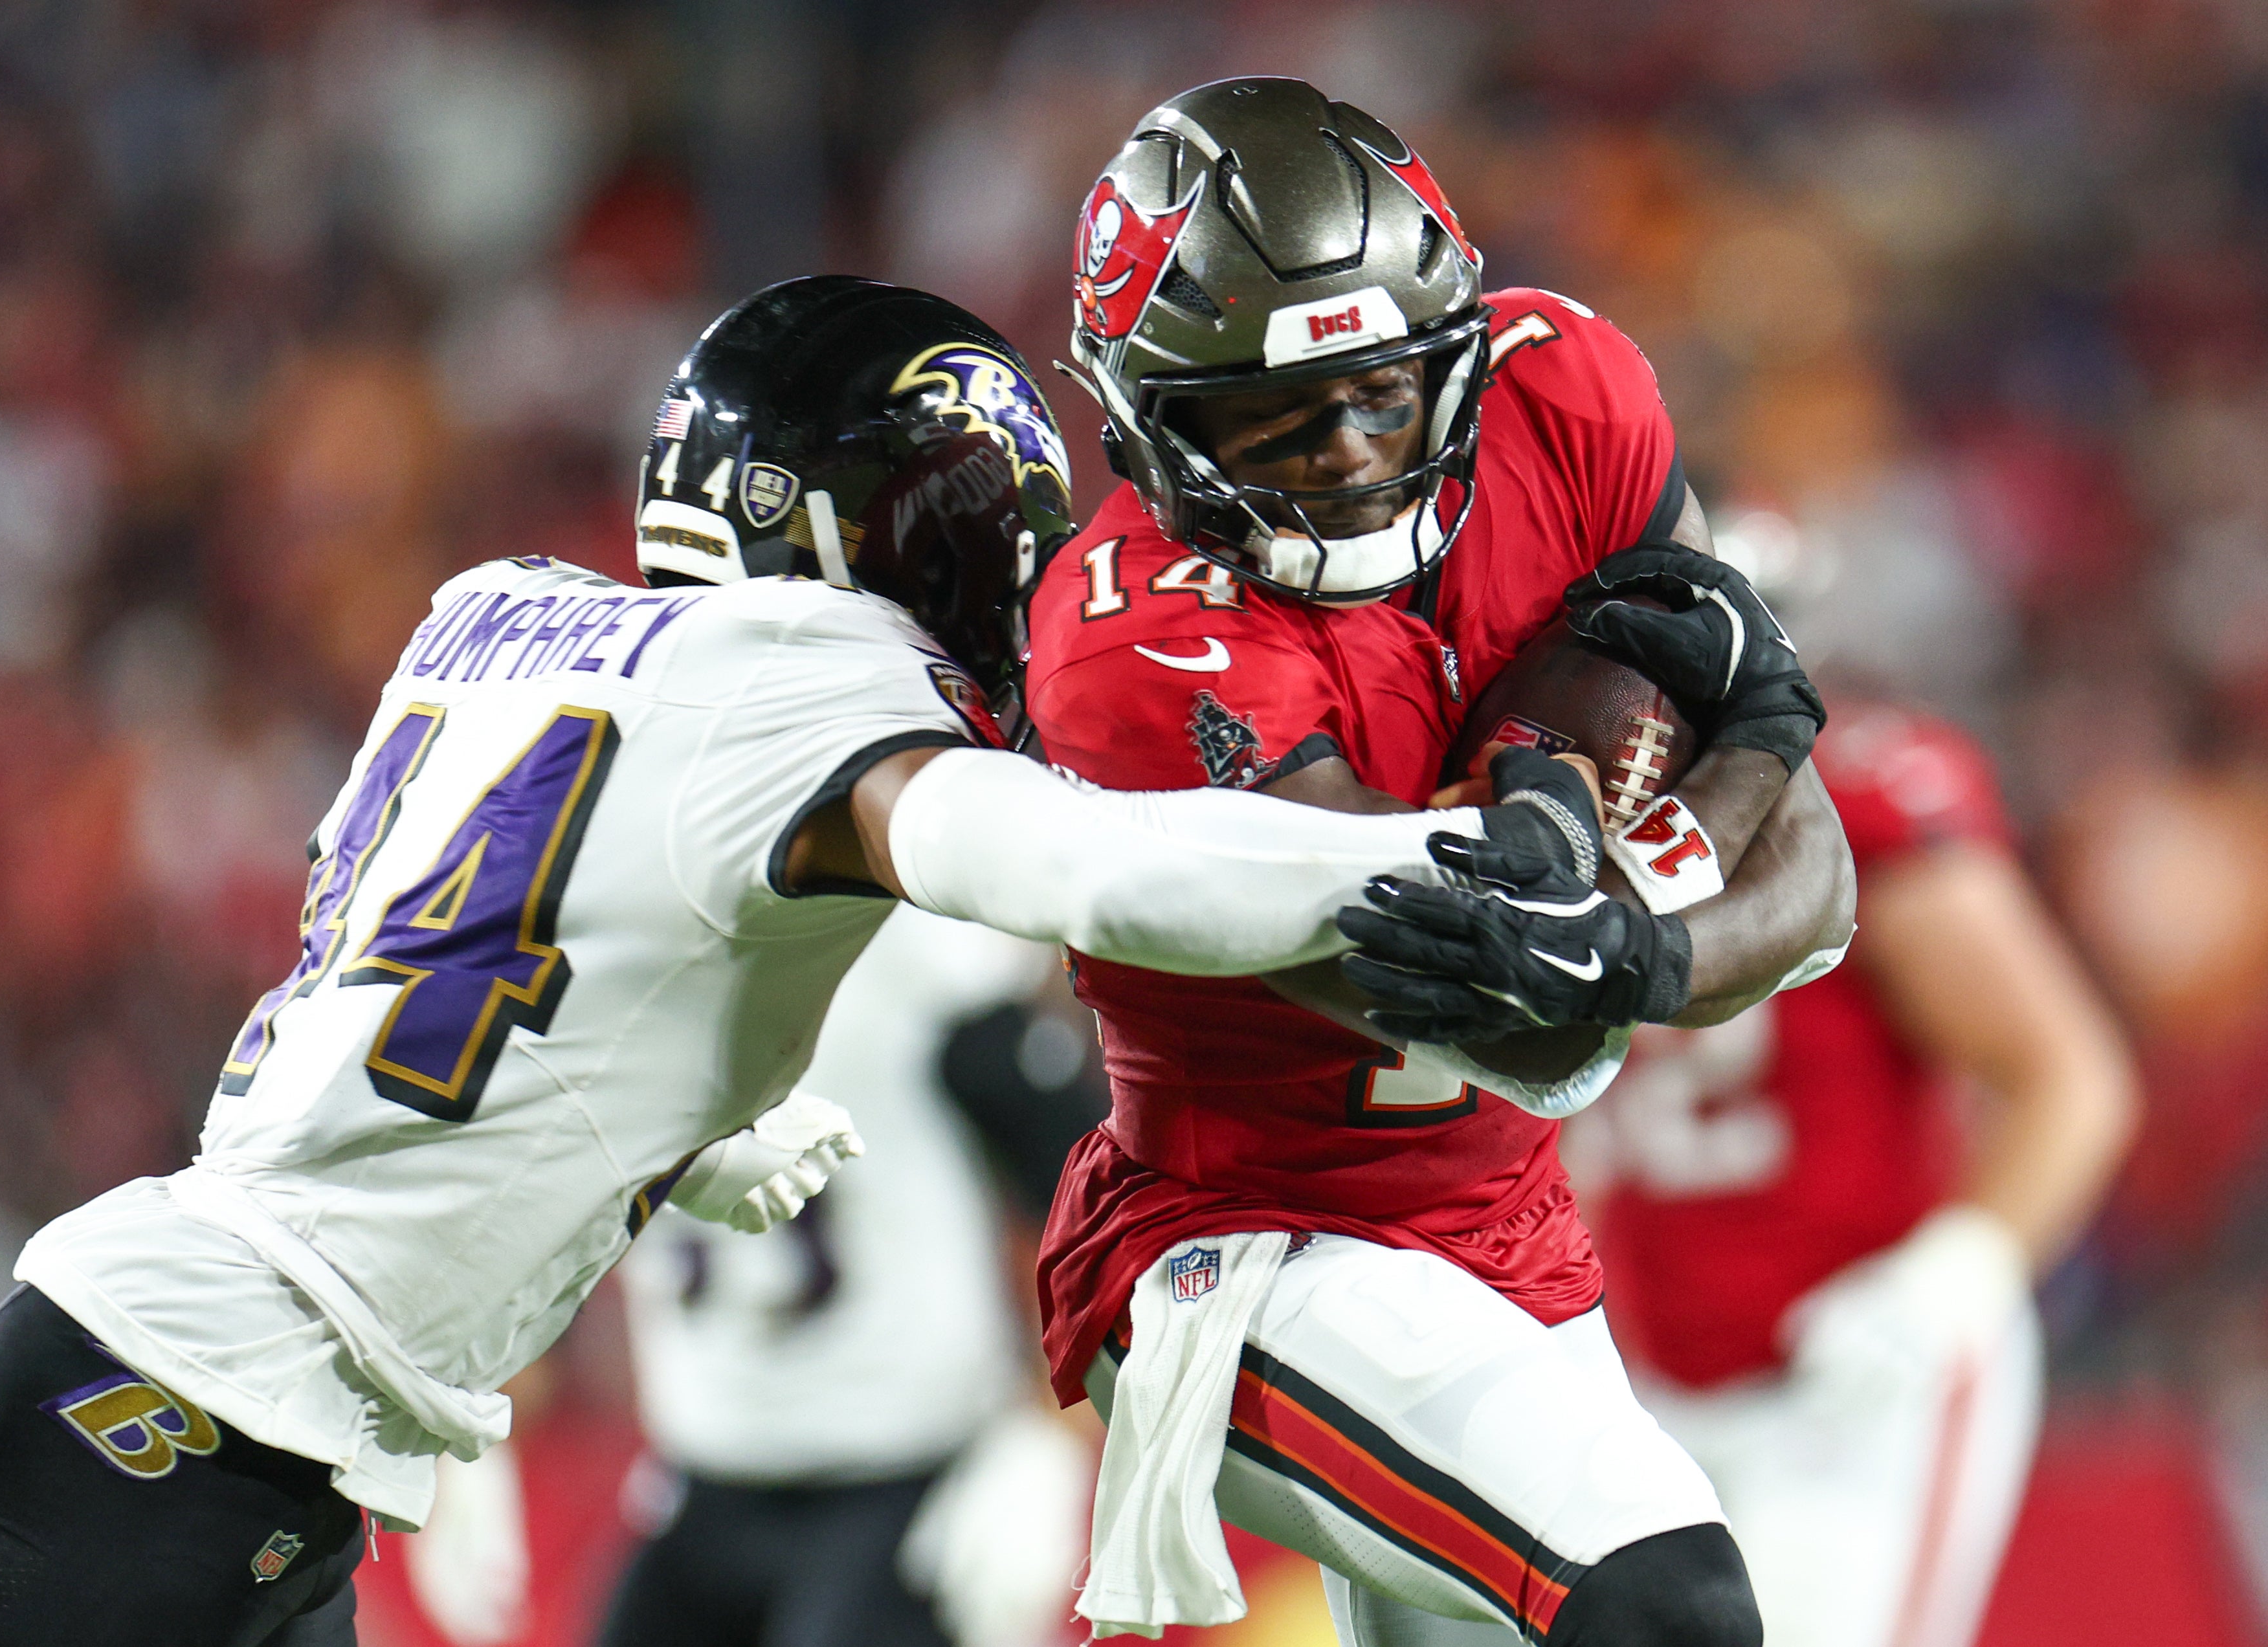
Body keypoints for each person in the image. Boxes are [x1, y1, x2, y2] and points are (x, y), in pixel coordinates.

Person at [0, 278, 1601, 1647]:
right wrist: (1427, 855)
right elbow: (1088, 865)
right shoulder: (801, 678)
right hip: (192, 1410)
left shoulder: (495, 619)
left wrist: (668, 1106)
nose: (994, 571)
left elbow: (426, 943)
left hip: (209, 1399)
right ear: (831, 523)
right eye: (958, 521)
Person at [1028, 79, 1854, 1645]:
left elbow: (1813, 887)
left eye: (1381, 395)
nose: (1343, 454)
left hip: (1506, 1232)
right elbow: (1518, 1022)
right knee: (1666, 1602)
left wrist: (1645, 947)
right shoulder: (1137, 638)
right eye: (1269, 415)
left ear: (1457, 359)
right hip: (1246, 1240)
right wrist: (1730, 765)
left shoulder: (1566, 394)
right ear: (1144, 418)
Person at [1568, 698, 2138, 1647]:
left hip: (1857, 1380)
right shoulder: (1550, 801)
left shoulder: (1854, 794)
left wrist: (1946, 1280)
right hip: (1658, 1378)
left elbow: (2070, 1079)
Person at [605, 904, 1096, 1647]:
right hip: (704, 1469)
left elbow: (1092, 1205)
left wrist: (1051, 1443)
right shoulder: (595, 955)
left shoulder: (917, 958)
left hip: (908, 1473)